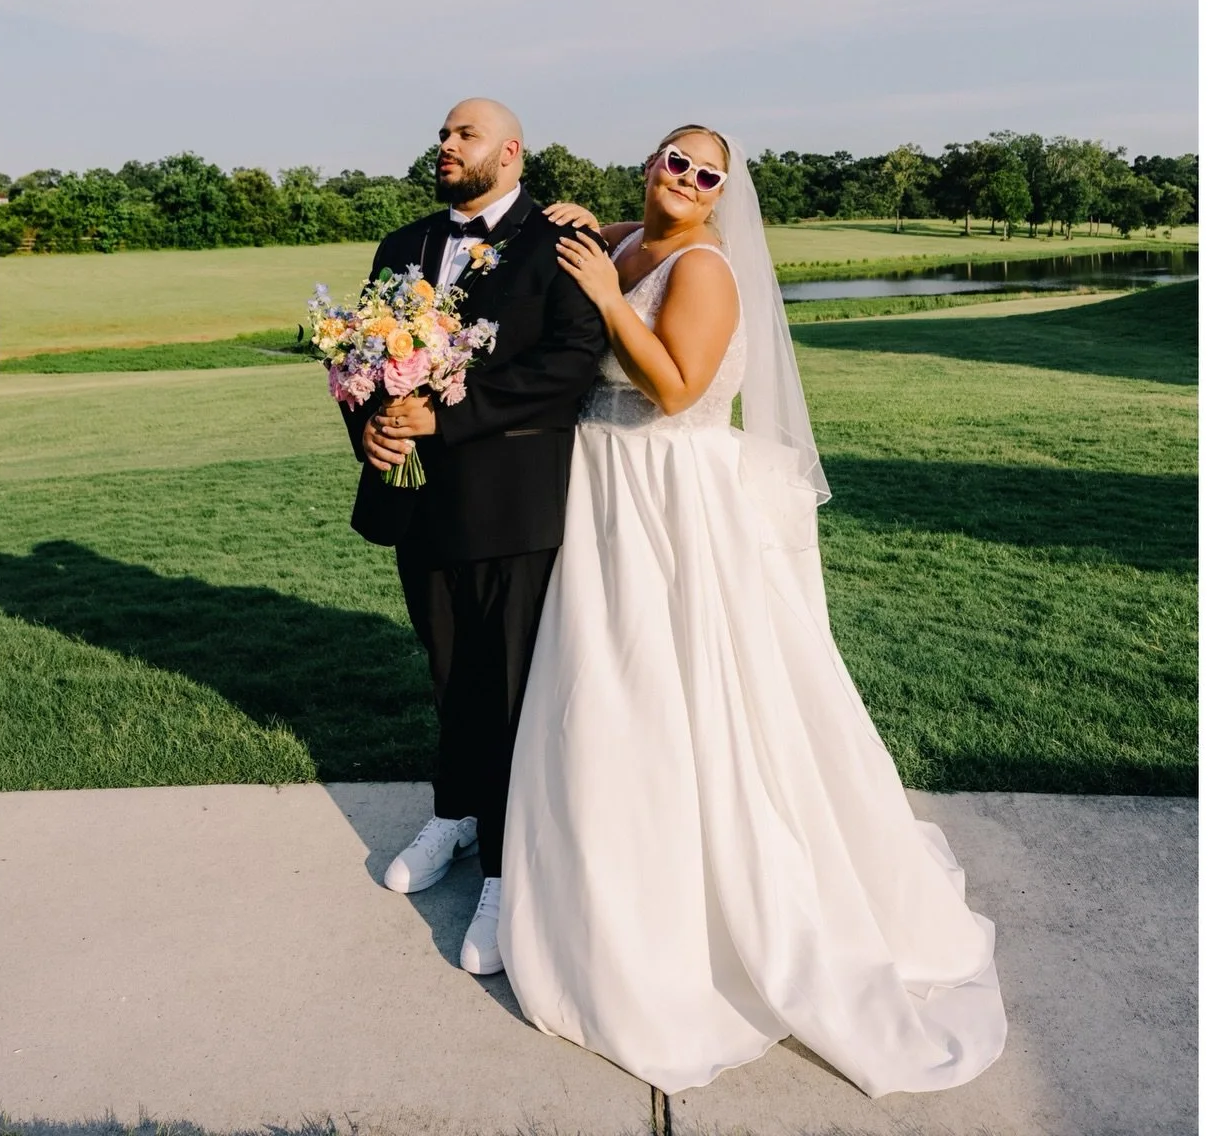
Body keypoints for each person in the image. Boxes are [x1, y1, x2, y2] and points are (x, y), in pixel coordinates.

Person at [497, 125, 1007, 1098]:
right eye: (672, 159)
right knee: (606, 692)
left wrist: (607, 302)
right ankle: (602, 904)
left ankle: (707, 921)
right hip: (605, 490)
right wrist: (572, 230)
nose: (685, 178)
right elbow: (587, 236)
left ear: (723, 193)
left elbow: (677, 385)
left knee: (677, 687)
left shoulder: (705, 270)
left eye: (706, 173)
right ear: (648, 164)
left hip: (668, 497)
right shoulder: (628, 239)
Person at [340, 98, 607, 975]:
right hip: (418, 505)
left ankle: (504, 867)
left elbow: (569, 366)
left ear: (511, 151)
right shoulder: (402, 246)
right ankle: (453, 814)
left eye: (465, 135)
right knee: (447, 668)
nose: (446, 145)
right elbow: (359, 361)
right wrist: (377, 431)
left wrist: (443, 421)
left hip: (512, 507)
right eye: (443, 135)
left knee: (507, 687)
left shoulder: (562, 241)